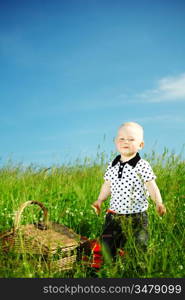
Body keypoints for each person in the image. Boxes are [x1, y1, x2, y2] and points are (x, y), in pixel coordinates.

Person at [92, 122, 166, 260]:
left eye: (131, 139)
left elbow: (151, 185)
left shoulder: (142, 165)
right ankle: (108, 267)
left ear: (140, 145)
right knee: (107, 243)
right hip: (113, 215)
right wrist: (100, 200)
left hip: (137, 216)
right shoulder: (112, 165)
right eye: (121, 139)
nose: (126, 142)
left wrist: (158, 202)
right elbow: (107, 185)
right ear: (115, 142)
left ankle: (137, 266)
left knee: (139, 243)